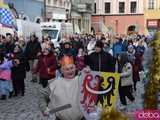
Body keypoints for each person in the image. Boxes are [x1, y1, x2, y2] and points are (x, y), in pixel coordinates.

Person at [39, 55, 84, 120]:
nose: (70, 71)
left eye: (71, 68)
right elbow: (42, 95)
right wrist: (44, 108)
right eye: (67, 69)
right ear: (62, 71)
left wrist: (88, 73)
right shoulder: (55, 83)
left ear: (75, 68)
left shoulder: (80, 80)